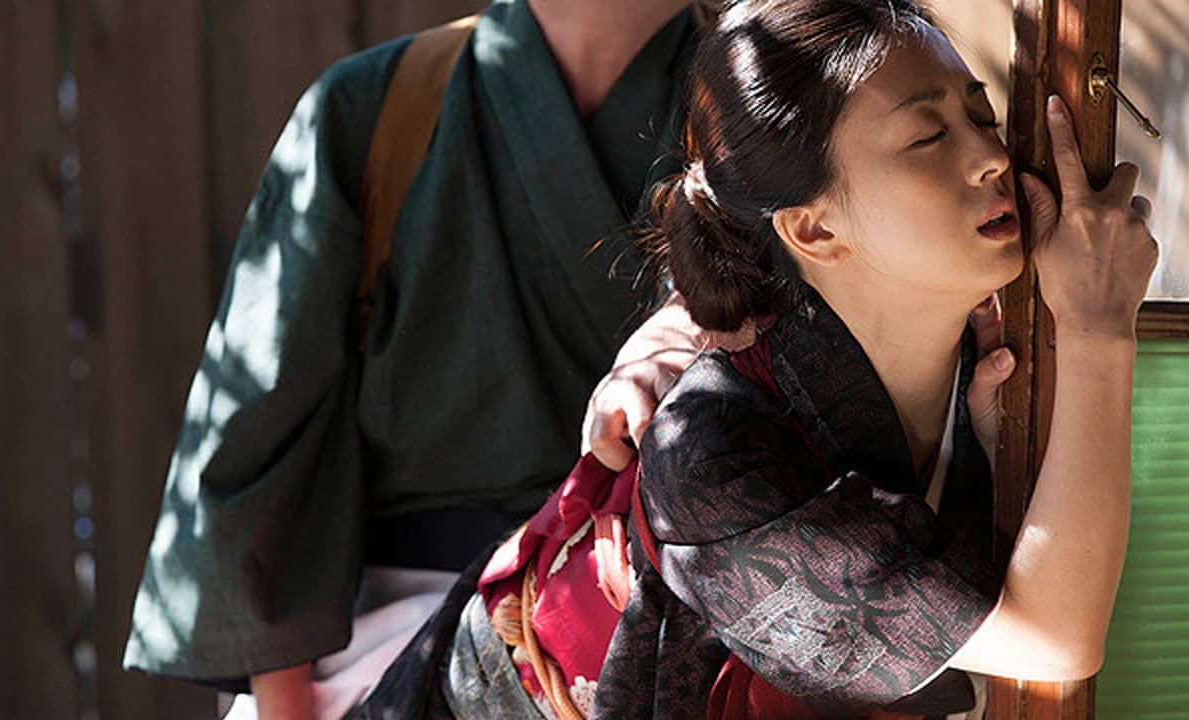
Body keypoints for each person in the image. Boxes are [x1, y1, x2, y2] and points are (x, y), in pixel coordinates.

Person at [357, 0, 1157, 717]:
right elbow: (1054, 638)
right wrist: (1096, 326)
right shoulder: (717, 457)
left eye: (982, 116)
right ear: (812, 229)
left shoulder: (982, 358)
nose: (990, 156)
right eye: (927, 136)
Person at [122, 1, 724, 718]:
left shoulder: (763, 106)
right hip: (379, 643)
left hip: (666, 630)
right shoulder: (378, 108)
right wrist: (286, 705)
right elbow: (258, 436)